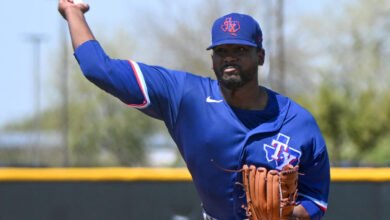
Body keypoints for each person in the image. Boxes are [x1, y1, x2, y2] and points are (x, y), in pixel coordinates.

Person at [58, 0, 330, 219]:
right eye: (222, 50)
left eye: (240, 49)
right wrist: (73, 11)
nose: (230, 57)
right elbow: (98, 68)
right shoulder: (185, 97)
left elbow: (316, 198)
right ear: (212, 59)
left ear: (260, 56)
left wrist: (289, 216)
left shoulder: (299, 123)